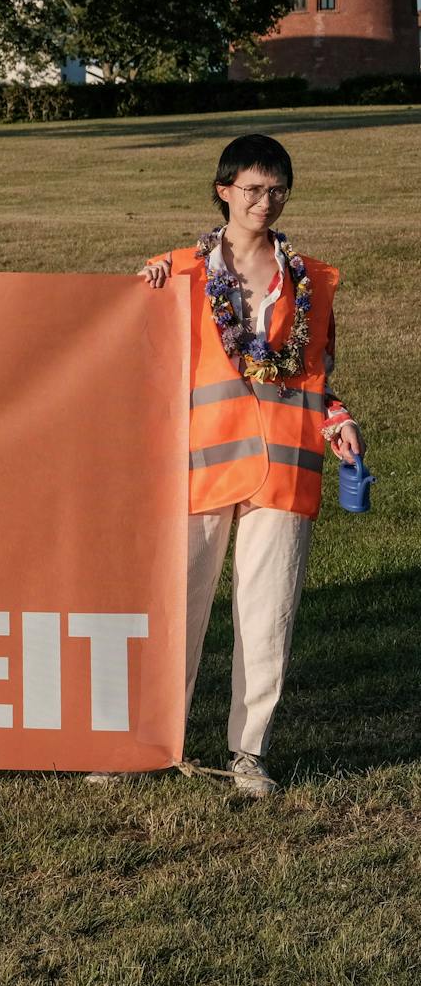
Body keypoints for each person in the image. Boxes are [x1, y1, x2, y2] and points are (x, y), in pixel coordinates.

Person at [123, 134, 363, 798]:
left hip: (285, 465)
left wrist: (338, 420)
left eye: (277, 189)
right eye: (253, 188)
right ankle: (148, 740)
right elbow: (133, 356)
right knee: (176, 609)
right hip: (199, 462)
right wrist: (142, 293)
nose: (265, 201)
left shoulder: (313, 281)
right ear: (223, 190)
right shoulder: (177, 272)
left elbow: (317, 376)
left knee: (268, 616)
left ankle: (249, 752)